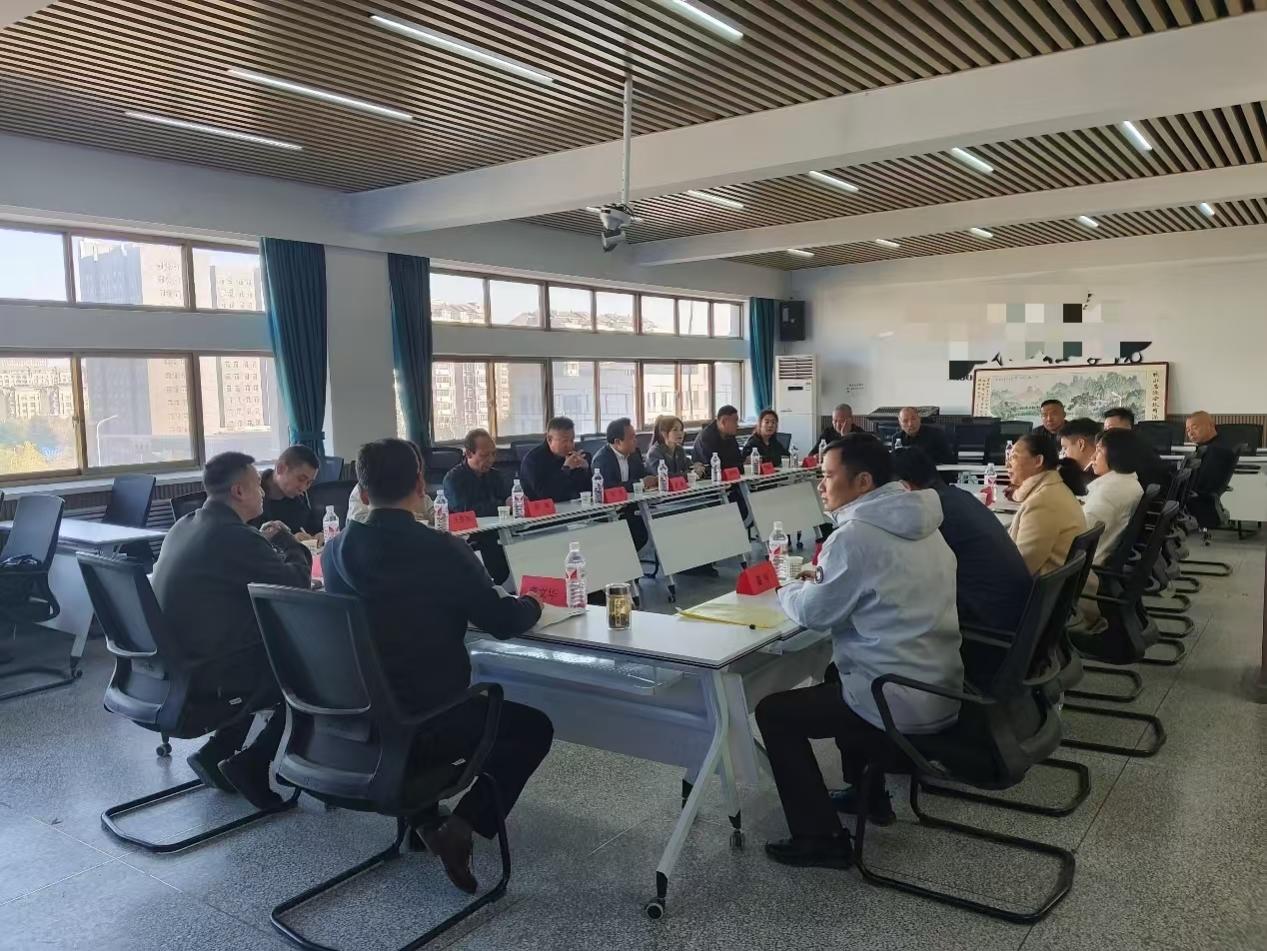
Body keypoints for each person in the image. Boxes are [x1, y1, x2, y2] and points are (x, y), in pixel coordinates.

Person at [322, 438, 552, 895]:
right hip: (431, 718)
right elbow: (501, 622)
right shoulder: (442, 548)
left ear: (362, 492)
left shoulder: (334, 552)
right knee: (532, 730)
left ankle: (425, 821)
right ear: (420, 484)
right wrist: (531, 602)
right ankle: (460, 828)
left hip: (356, 718)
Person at [755, 435, 961, 868]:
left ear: (863, 481)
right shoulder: (924, 522)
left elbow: (814, 614)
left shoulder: (856, 535)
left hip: (895, 697)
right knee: (836, 673)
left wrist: (787, 586)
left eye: (829, 475)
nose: (821, 485)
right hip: (940, 684)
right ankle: (869, 795)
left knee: (775, 713)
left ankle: (821, 838)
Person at [151, 451, 312, 809]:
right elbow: (296, 584)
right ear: (239, 491)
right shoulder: (233, 537)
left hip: (168, 669)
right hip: (206, 674)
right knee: (307, 673)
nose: (263, 492)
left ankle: (217, 752)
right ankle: (252, 763)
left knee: (264, 654)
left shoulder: (186, 524)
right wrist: (288, 542)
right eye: (257, 485)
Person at [892, 448, 1031, 633]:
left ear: (905, 486)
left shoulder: (932, 513)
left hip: (992, 626)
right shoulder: (959, 497)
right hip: (1020, 616)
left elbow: (911, 576)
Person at [1005, 431, 1087, 576]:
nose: (1007, 464)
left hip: (1045, 587)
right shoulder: (1051, 488)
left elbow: (1020, 567)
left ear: (1038, 461)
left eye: (1014, 457)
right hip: (1057, 581)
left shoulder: (1043, 502)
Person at [440, 428, 512, 583]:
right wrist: (503, 505)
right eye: (485, 455)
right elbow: (467, 510)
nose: (491, 459)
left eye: (493, 454)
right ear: (469, 453)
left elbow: (507, 499)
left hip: (496, 532)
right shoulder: (453, 479)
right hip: (469, 539)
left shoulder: (496, 475)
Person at [1083, 429, 1145, 563]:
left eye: (1099, 451)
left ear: (1116, 454)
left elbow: (1079, 530)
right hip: (1100, 553)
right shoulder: (1128, 481)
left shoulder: (1108, 493)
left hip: (1086, 562)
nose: (1092, 457)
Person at [590, 417, 652, 550]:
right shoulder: (602, 460)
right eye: (631, 438)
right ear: (617, 442)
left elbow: (642, 475)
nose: (636, 441)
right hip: (609, 512)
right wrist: (641, 483)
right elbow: (608, 488)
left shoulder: (634, 454)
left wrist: (650, 480)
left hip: (630, 508)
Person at [349, 442, 434, 526]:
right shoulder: (366, 488)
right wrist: (406, 519)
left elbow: (435, 512)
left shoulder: (413, 488)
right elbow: (359, 521)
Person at [250, 445, 322, 538]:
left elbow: (313, 528)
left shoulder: (299, 497)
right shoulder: (251, 495)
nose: (303, 488)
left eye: (309, 482)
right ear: (280, 468)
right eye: (300, 479)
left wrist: (320, 535)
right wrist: (289, 541)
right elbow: (249, 539)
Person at [1185, 411, 1238, 528]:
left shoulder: (1216, 451)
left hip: (1199, 504)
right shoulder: (1212, 446)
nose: (1191, 433)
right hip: (1202, 502)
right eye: (1188, 430)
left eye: (1195, 427)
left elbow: (1202, 485)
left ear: (1210, 425)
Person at [519, 416, 591, 502]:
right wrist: (566, 469)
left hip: (573, 506)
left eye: (572, 440)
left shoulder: (573, 456)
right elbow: (545, 495)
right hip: (542, 508)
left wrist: (586, 470)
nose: (570, 445)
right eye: (564, 441)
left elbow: (585, 491)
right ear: (549, 440)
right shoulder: (533, 461)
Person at [1101, 406, 1172, 492]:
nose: (1105, 434)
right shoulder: (1134, 444)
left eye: (1110, 429)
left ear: (1128, 427)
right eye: (1105, 430)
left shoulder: (1131, 451)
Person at [692, 405, 743, 471]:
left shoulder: (729, 435)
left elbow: (738, 460)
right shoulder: (707, 438)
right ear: (723, 422)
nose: (737, 425)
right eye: (735, 421)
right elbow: (713, 466)